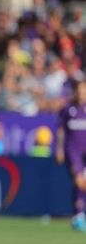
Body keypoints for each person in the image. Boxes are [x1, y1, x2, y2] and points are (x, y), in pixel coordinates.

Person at [56, 79, 86, 231]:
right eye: (79, 91)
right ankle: (80, 215)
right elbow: (61, 130)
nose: (81, 94)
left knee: (80, 185)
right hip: (73, 152)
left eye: (84, 91)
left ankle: (77, 215)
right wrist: (59, 149)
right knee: (80, 181)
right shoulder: (68, 109)